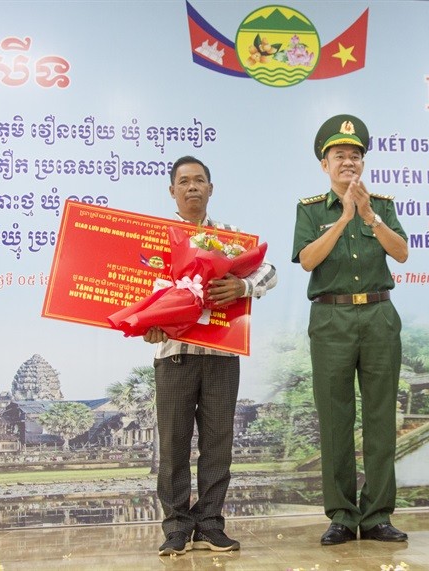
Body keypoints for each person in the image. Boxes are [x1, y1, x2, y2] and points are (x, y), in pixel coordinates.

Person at [144, 155, 277, 556]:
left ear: (210, 188)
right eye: (183, 181)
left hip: (221, 354)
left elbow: (269, 271)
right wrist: (146, 324)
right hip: (172, 356)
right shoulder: (155, 239)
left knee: (219, 442)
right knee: (173, 445)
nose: (192, 187)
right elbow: (140, 297)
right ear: (172, 191)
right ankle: (176, 529)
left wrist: (243, 288)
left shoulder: (231, 236)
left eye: (199, 180)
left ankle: (210, 525)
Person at [292, 114, 409, 545]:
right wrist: (343, 217)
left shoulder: (383, 206)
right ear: (325, 164)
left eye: (355, 155)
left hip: (378, 317)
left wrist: (370, 217)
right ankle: (341, 514)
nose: (349, 162)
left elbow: (401, 254)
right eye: (340, 155)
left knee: (381, 417)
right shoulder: (309, 210)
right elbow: (307, 260)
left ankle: (377, 514)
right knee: (335, 417)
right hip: (331, 319)